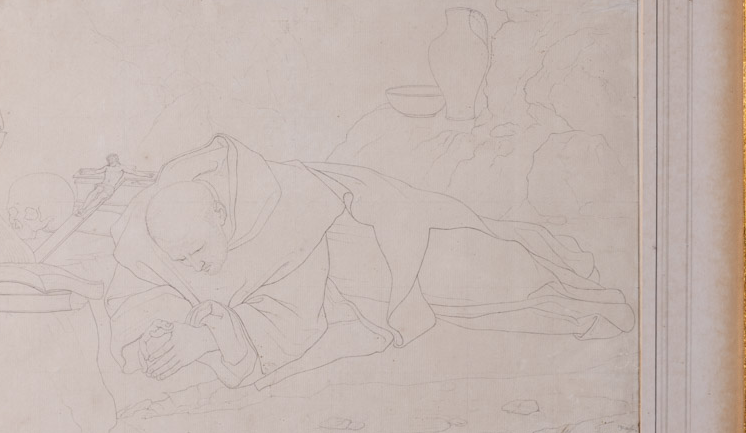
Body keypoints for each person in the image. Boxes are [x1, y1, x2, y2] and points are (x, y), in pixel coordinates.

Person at [105, 135, 633, 391]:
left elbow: (292, 323)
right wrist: (153, 336)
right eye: (183, 259)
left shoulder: (289, 210)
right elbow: (135, 291)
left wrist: (208, 338)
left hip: (378, 247)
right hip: (344, 276)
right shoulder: (152, 225)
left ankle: (570, 286)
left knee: (485, 278)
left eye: (199, 253)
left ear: (222, 215)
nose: (194, 267)